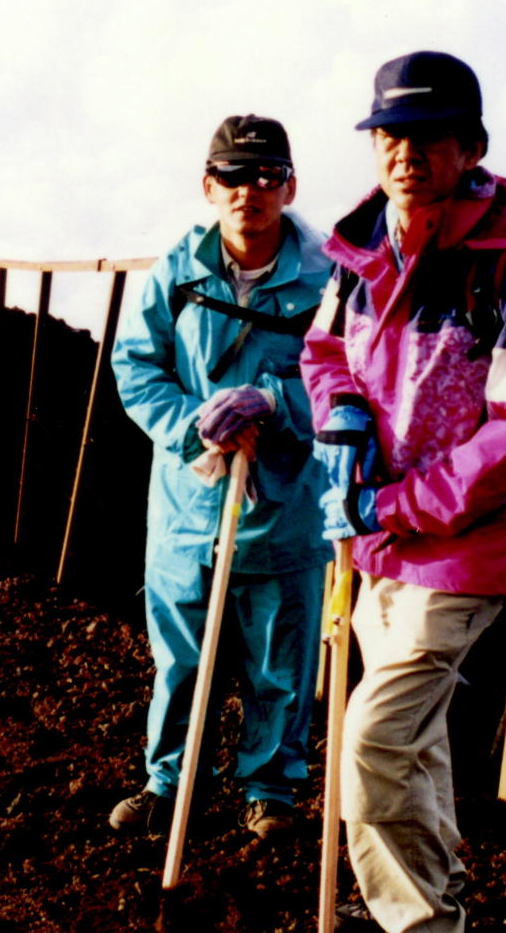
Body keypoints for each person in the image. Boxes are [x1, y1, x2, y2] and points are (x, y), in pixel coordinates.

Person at [300, 52, 506, 933]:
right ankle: (441, 909)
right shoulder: (362, 253)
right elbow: (327, 355)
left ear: (471, 149)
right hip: (381, 535)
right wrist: (342, 419)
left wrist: (396, 504)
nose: (404, 153)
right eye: (389, 135)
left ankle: (418, 926)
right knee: (410, 742)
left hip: (474, 542)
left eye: (427, 137)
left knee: (376, 745)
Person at [108, 115, 332, 841]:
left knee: (280, 658)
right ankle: (171, 785)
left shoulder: (328, 279)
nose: (250, 192)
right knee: (180, 659)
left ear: (289, 186)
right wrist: (189, 423)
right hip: (188, 504)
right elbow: (135, 366)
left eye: (267, 176)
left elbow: (350, 379)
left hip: (286, 503)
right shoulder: (177, 271)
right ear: (209, 186)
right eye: (233, 177)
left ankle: (271, 789)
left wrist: (276, 403)